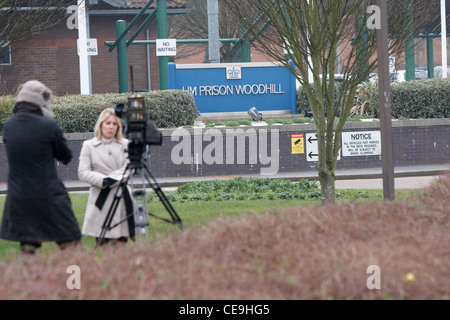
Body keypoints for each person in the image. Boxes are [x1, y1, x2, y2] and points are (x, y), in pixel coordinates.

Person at [0, 80, 82, 254]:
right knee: (71, 240)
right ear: (41, 100)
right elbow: (66, 156)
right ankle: (75, 280)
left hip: (19, 195)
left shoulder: (9, 126)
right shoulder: (48, 125)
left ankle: (31, 281)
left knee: (29, 246)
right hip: (48, 193)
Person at [78, 108, 134, 245]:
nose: (111, 127)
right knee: (102, 243)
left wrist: (114, 178)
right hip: (100, 196)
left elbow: (130, 167)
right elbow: (83, 172)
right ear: (101, 124)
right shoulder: (89, 145)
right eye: (108, 123)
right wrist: (103, 180)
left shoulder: (126, 144)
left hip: (121, 196)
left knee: (121, 242)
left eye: (114, 124)